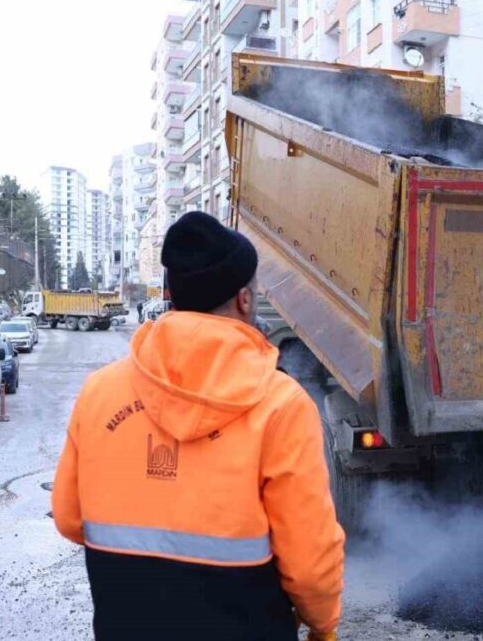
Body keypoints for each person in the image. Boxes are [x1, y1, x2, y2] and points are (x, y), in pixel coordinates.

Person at [52, 212, 344, 641]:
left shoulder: (99, 393)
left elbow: (69, 518)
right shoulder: (281, 405)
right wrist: (323, 627)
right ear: (245, 299)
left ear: (172, 294)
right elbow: (309, 565)